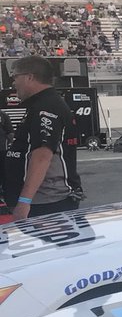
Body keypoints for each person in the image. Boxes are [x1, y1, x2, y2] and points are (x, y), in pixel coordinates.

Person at [3, 56, 81, 220]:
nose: (13, 83)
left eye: (15, 77)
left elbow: (42, 156)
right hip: (43, 202)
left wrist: (24, 201)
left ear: (29, 77)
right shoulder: (42, 104)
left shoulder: (46, 107)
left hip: (46, 204)